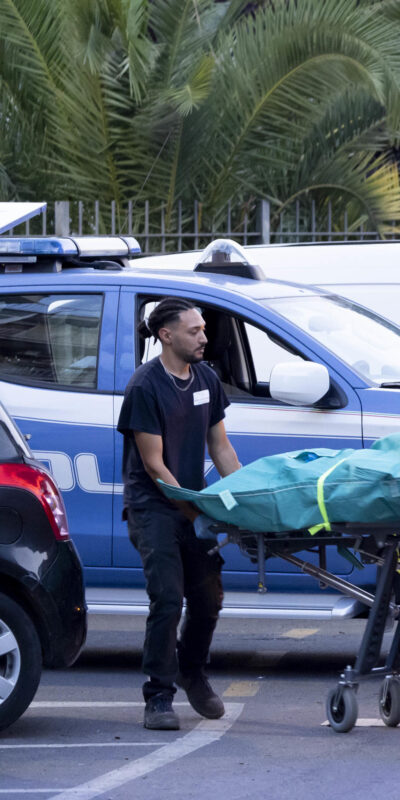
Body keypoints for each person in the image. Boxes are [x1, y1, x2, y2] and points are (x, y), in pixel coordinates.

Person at [118, 298, 242, 730]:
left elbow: (221, 448)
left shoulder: (207, 378)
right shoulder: (145, 387)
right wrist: (194, 511)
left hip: (192, 505)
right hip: (153, 507)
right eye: (194, 331)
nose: (204, 337)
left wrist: (244, 499)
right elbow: (155, 466)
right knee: (168, 599)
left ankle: (193, 672)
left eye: (204, 329)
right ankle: (158, 696)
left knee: (209, 599)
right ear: (166, 336)